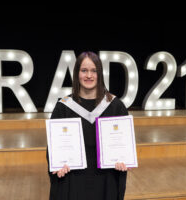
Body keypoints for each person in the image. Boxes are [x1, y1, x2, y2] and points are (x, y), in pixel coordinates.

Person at [47, 51, 129, 200]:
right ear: (77, 73)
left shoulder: (115, 106)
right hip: (73, 179)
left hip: (106, 178)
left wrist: (124, 159)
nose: (89, 76)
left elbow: (125, 144)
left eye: (93, 71)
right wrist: (57, 164)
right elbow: (53, 148)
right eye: (84, 70)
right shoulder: (63, 107)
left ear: (100, 74)